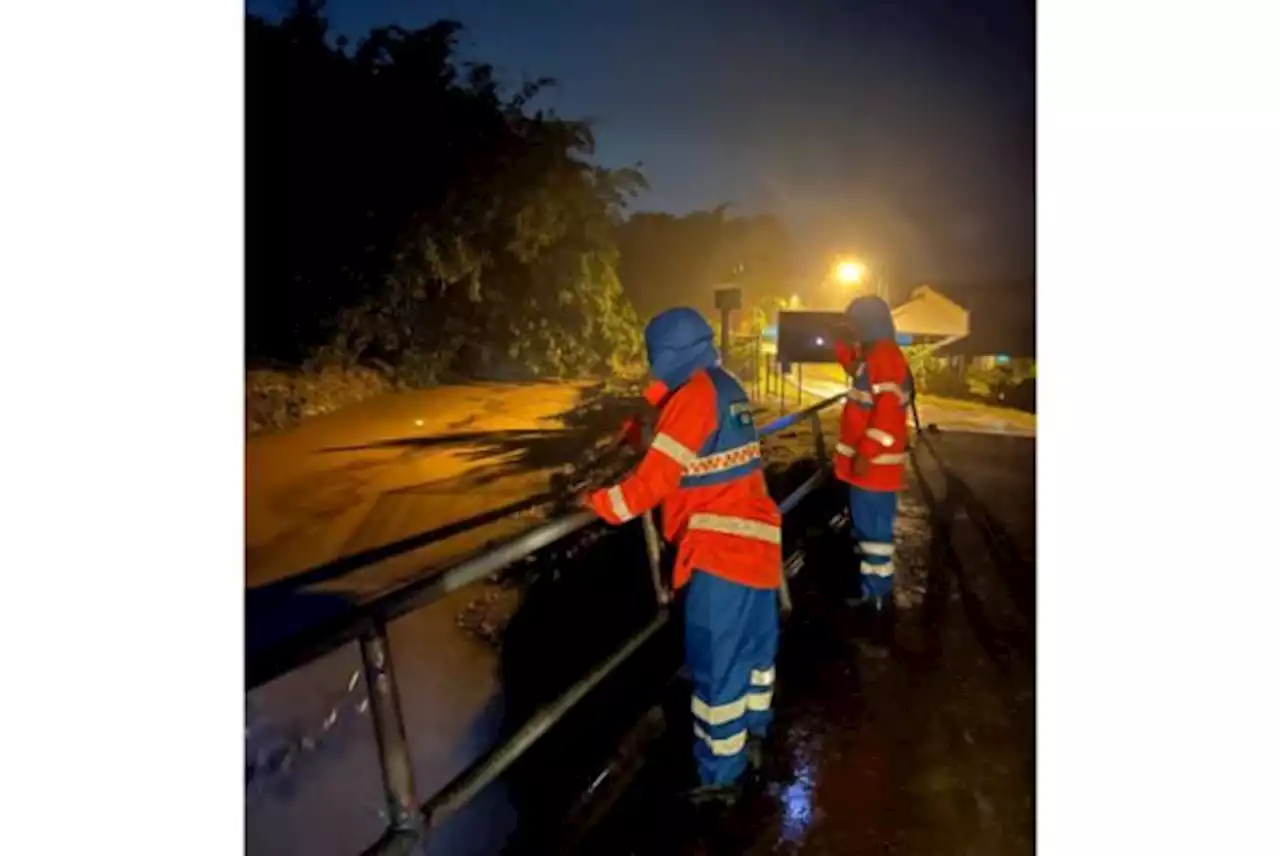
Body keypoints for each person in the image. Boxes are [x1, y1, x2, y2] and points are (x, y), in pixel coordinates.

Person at [584, 307, 782, 805]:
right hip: (757, 546)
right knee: (755, 658)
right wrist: (641, 421)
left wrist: (595, 502)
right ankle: (754, 737)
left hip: (719, 554)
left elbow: (652, 484)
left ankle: (720, 779)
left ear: (666, 354)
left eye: (654, 358)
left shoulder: (694, 398)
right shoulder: (723, 385)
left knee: (718, 671)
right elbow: (674, 413)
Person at [832, 295, 914, 615]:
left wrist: (866, 452)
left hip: (874, 470)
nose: (852, 327)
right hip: (868, 469)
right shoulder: (877, 354)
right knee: (868, 532)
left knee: (874, 534)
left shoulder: (885, 355)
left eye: (854, 321)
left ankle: (877, 597)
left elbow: (887, 413)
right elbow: (855, 370)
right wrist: (841, 343)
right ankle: (873, 591)